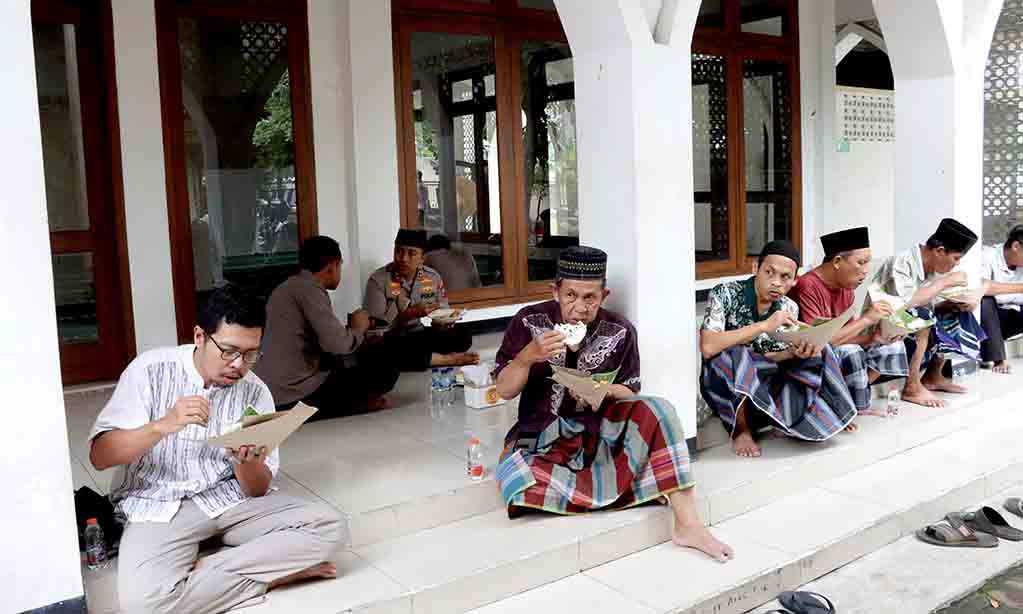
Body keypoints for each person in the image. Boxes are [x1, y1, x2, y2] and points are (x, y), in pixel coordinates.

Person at [88, 285, 346, 614]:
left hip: (228, 503)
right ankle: (268, 577)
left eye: (251, 353)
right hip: (158, 507)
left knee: (331, 527)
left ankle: (210, 573)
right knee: (144, 605)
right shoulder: (149, 371)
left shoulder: (255, 392)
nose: (239, 365)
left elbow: (257, 489)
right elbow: (100, 456)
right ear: (199, 336)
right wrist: (161, 426)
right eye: (228, 350)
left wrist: (247, 462)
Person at [494, 246, 733, 563]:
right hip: (544, 434)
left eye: (590, 298)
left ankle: (688, 524)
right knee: (518, 480)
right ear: (555, 290)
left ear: (604, 295)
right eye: (571, 296)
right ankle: (632, 486)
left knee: (659, 408)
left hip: (600, 433)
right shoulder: (529, 322)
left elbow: (630, 390)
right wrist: (527, 357)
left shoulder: (620, 330)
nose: (580, 307)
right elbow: (504, 390)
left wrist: (602, 391)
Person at [700, 240, 858, 458]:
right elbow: (708, 347)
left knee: (821, 351)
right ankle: (741, 430)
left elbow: (772, 357)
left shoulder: (788, 307)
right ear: (756, 268)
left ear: (794, 281)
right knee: (740, 353)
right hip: (723, 378)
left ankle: (818, 415)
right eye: (769, 272)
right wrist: (764, 326)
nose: (776, 283)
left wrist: (795, 352)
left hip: (762, 375)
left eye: (785, 277)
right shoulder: (725, 293)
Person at [255, 236, 398, 417]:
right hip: (292, 391)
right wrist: (359, 327)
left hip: (272, 388)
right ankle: (350, 404)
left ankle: (350, 401)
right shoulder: (310, 289)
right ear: (332, 265)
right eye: (340, 266)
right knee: (386, 366)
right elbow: (338, 345)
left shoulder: (288, 287)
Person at [789, 227, 909, 418]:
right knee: (851, 353)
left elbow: (848, 336)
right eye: (861, 262)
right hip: (806, 359)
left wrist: (873, 337)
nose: (866, 270)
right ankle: (853, 405)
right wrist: (867, 319)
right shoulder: (807, 286)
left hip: (836, 350)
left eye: (867, 263)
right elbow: (820, 344)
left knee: (892, 346)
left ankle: (855, 395)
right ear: (837, 261)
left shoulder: (846, 287)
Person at [871, 218, 986, 407]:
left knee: (953, 311)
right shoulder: (902, 262)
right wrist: (944, 282)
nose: (956, 265)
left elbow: (930, 303)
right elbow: (905, 304)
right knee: (922, 315)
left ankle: (933, 376)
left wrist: (951, 304)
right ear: (939, 251)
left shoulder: (932, 268)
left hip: (907, 325)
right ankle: (912, 387)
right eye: (956, 258)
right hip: (882, 327)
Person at [364, 229, 479, 370]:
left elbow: (443, 311)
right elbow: (374, 330)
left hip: (417, 334)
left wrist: (443, 322)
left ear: (422, 258)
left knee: (463, 335)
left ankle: (424, 357)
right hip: (390, 338)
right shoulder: (378, 280)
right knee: (379, 351)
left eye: (411, 253)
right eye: (399, 251)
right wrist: (408, 315)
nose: (404, 258)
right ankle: (445, 359)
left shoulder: (432, 277)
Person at [979, 225, 1023, 373]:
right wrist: (1020, 288)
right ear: (1016, 246)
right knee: (986, 299)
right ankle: (998, 358)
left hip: (1010, 317)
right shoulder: (988, 255)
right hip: (985, 320)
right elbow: (981, 287)